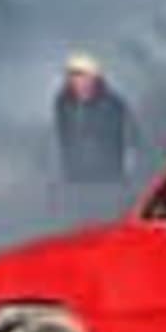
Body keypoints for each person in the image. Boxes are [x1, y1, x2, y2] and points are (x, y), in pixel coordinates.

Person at [53, 52, 137, 220]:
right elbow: (60, 139)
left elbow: (131, 140)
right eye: (72, 75)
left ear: (94, 77)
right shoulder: (62, 103)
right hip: (74, 181)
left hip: (109, 182)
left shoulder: (114, 104)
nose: (76, 80)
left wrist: (128, 174)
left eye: (81, 74)